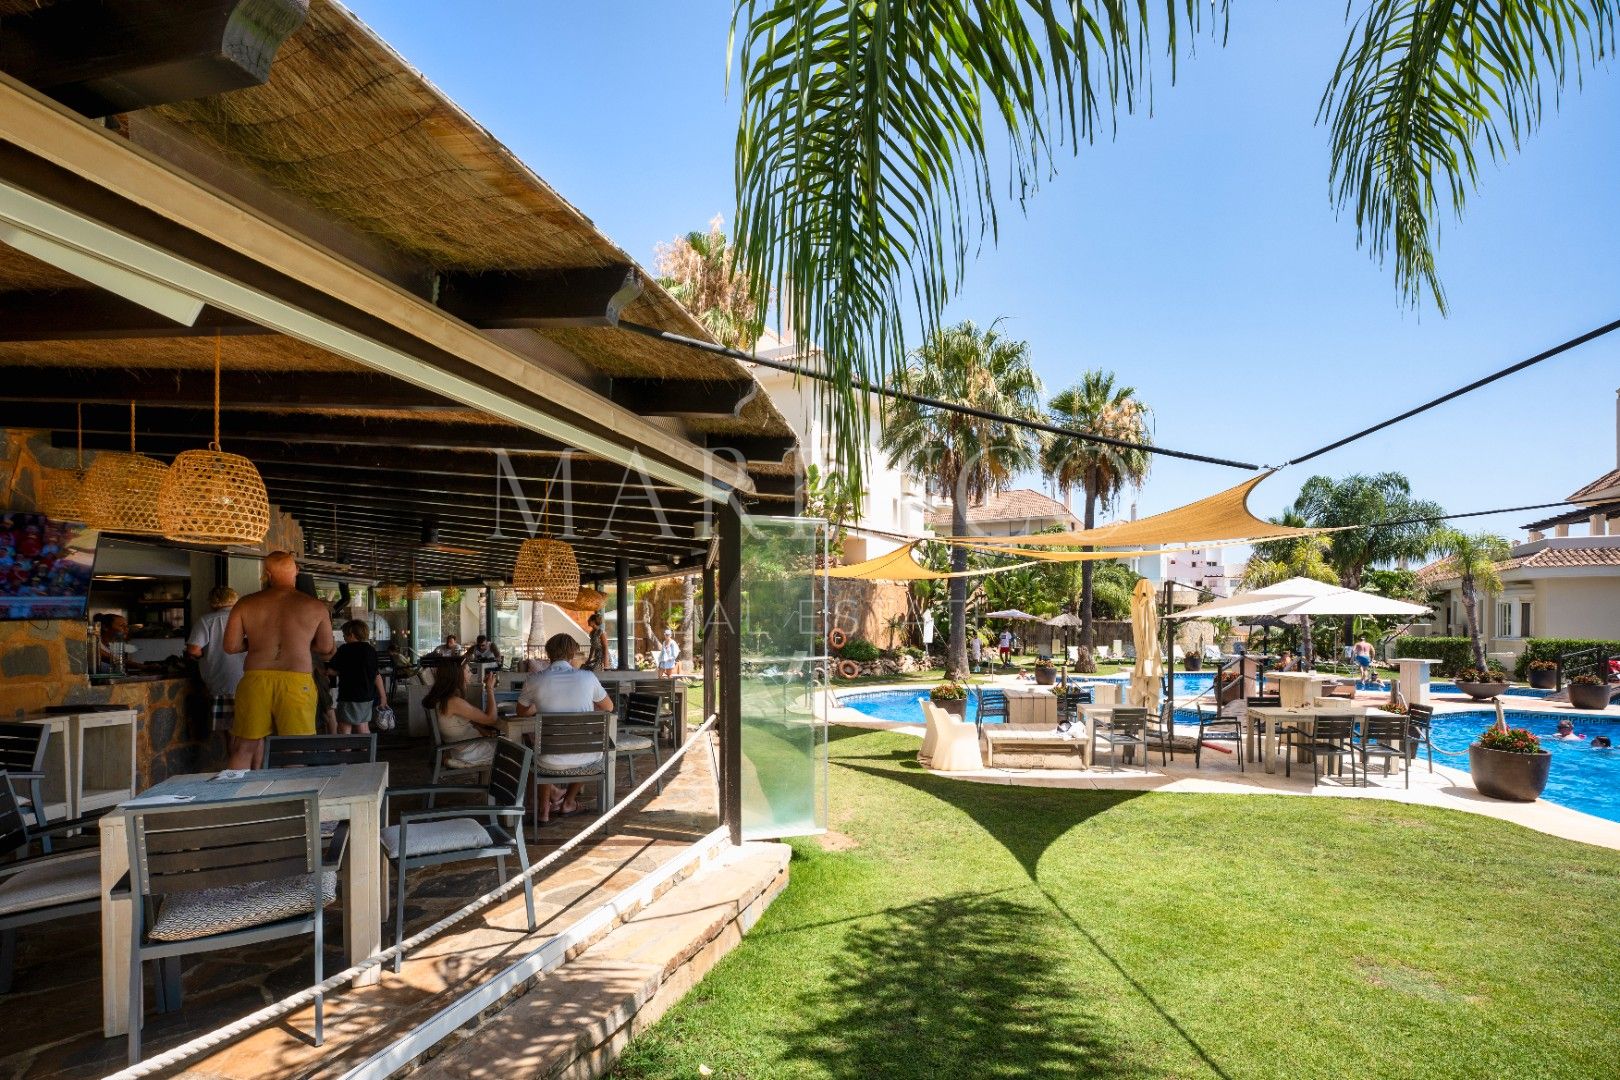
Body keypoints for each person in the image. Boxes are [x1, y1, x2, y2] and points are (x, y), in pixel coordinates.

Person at [223, 551, 335, 769]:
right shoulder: (315, 606)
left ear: (267, 574)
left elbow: (231, 646)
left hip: (256, 679)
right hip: (296, 680)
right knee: (294, 749)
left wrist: (258, 642)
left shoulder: (245, 603)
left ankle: (237, 792)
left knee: (244, 747)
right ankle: (291, 792)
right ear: (296, 571)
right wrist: (299, 643)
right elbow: (325, 647)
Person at [516, 633, 615, 821]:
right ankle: (568, 802)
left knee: (538, 746)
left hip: (547, 760)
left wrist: (540, 705)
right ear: (572, 653)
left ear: (548, 654)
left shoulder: (534, 679)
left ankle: (544, 810)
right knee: (592, 747)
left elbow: (521, 711)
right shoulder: (587, 677)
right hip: (586, 757)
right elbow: (608, 707)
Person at [186, 587, 245, 752]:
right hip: (249, 681)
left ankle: (234, 765)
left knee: (231, 733)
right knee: (252, 735)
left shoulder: (207, 620)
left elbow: (193, 649)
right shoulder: (246, 618)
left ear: (212, 602)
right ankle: (253, 766)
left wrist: (200, 655)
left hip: (223, 682)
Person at [424, 657, 500, 768]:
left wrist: (481, 730)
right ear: (458, 676)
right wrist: (490, 689)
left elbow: (470, 722)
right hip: (470, 752)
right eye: (468, 671)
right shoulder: (453, 702)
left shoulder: (441, 698)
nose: (471, 674)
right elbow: (491, 719)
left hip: (462, 748)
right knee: (517, 750)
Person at [329, 619, 385, 735]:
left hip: (348, 696)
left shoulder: (344, 649)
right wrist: (383, 696)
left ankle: (346, 748)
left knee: (344, 729)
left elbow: (332, 671)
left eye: (344, 634)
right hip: (367, 696)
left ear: (352, 634)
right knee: (363, 727)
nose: (343, 637)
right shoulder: (371, 650)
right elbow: (376, 675)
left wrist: (321, 670)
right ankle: (367, 746)